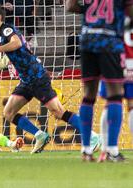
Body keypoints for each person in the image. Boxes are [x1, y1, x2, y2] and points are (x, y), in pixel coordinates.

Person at [0, 5, 100, 154]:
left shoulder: (7, 30)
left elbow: (17, 43)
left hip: (37, 77)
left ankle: (92, 136)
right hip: (26, 80)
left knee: (58, 112)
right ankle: (40, 135)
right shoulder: (2, 32)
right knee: (8, 112)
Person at [66, 0, 133, 162]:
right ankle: (112, 150)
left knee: (89, 95)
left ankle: (86, 150)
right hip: (109, 41)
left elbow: (70, 6)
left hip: (87, 38)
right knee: (115, 94)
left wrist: (89, 12)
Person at [98, 18, 133, 162]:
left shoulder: (112, 10)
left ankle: (105, 150)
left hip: (112, 60)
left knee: (110, 103)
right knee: (131, 105)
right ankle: (108, 150)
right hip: (131, 61)